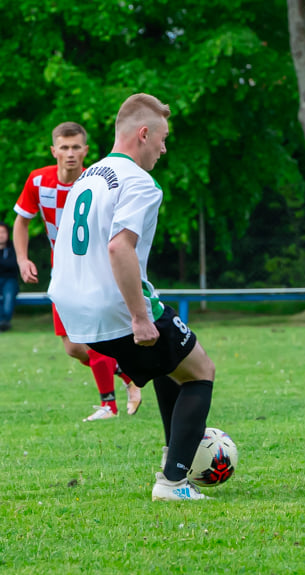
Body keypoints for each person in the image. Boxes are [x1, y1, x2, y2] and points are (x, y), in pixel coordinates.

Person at [49, 93, 216, 501]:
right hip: (114, 305)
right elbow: (119, 248)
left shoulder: (86, 177)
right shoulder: (140, 182)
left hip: (71, 306)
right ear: (144, 133)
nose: (163, 147)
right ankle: (173, 481)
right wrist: (140, 317)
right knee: (201, 371)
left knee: (170, 364)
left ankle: (173, 458)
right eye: (162, 138)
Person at [13, 122, 142, 420]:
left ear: (85, 150)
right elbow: (22, 220)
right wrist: (22, 259)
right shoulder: (38, 181)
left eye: (76, 147)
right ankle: (129, 376)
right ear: (53, 150)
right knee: (73, 347)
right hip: (62, 272)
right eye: (64, 147)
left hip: (93, 268)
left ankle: (107, 405)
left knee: (93, 339)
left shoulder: (96, 181)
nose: (70, 153)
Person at [0, 223, 19, 331]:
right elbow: (9, 264)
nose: (1, 235)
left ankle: (4, 321)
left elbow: (14, 264)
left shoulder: (14, 247)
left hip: (10, 280)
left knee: (9, 295)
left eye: (3, 232)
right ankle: (2, 322)